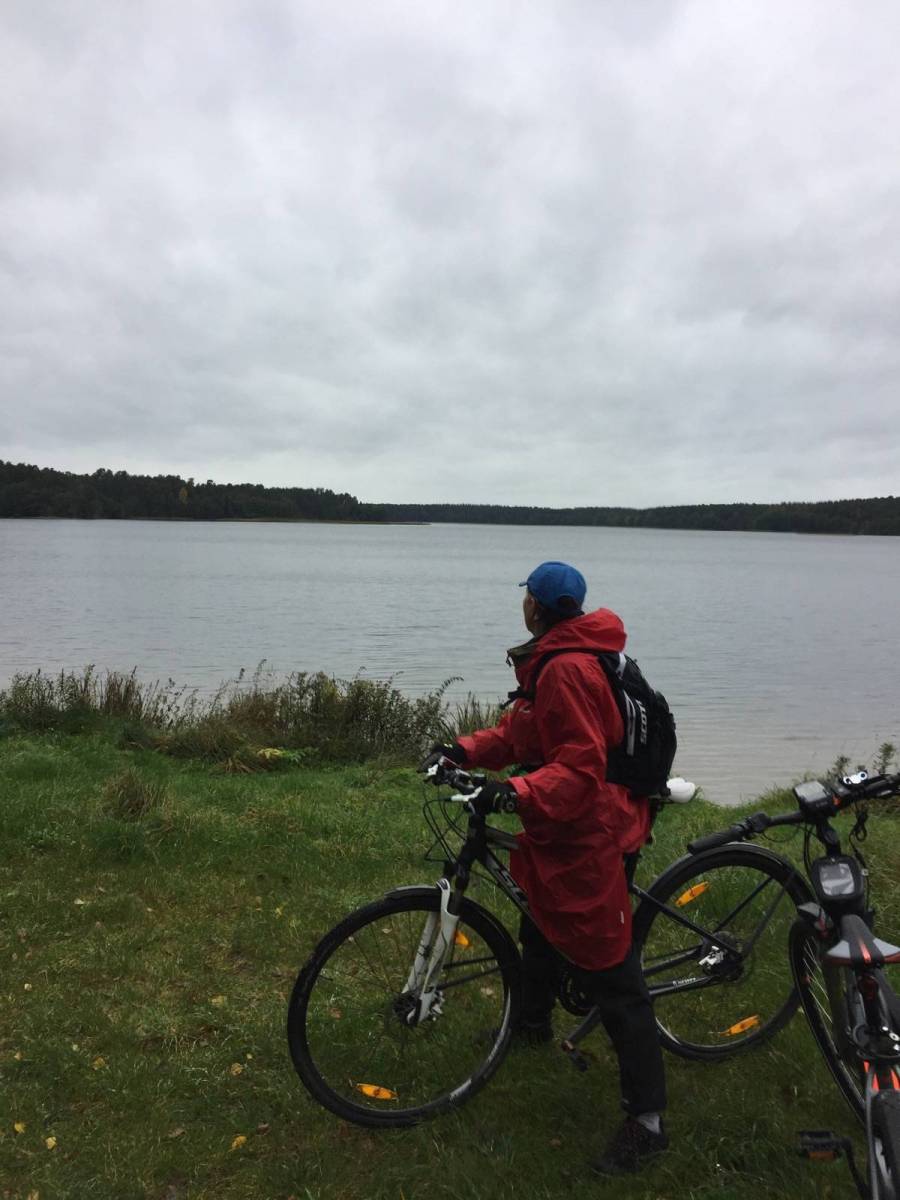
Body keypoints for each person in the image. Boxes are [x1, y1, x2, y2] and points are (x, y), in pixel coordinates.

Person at [424, 561, 668, 1175]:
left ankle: (647, 1122)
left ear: (535, 605)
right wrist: (463, 751)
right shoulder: (559, 655)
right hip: (562, 829)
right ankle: (531, 1024)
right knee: (537, 919)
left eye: (527, 598)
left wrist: (514, 791)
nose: (525, 606)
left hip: (592, 831)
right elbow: (523, 736)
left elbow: (580, 770)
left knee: (614, 976)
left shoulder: (566, 669)